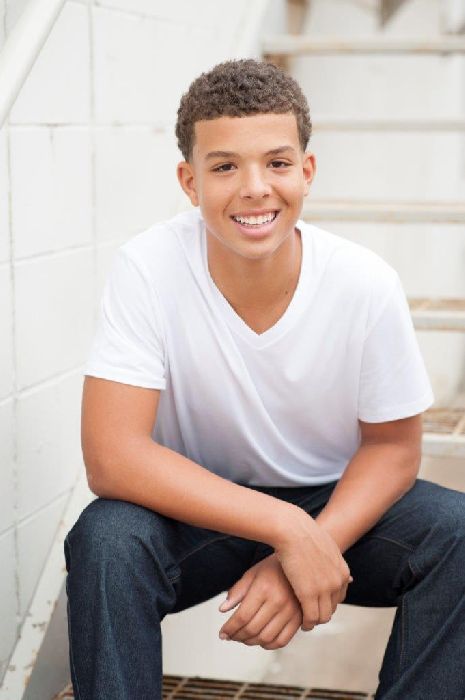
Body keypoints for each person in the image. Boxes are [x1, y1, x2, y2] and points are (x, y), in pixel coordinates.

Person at [64, 59, 465, 700]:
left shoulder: (364, 283)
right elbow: (112, 457)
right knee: (106, 537)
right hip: (197, 507)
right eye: (225, 166)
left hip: (332, 503)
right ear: (190, 181)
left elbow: (393, 448)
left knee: (459, 534)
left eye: (277, 162)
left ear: (306, 171)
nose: (255, 188)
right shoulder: (147, 267)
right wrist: (285, 527)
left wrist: (313, 538)